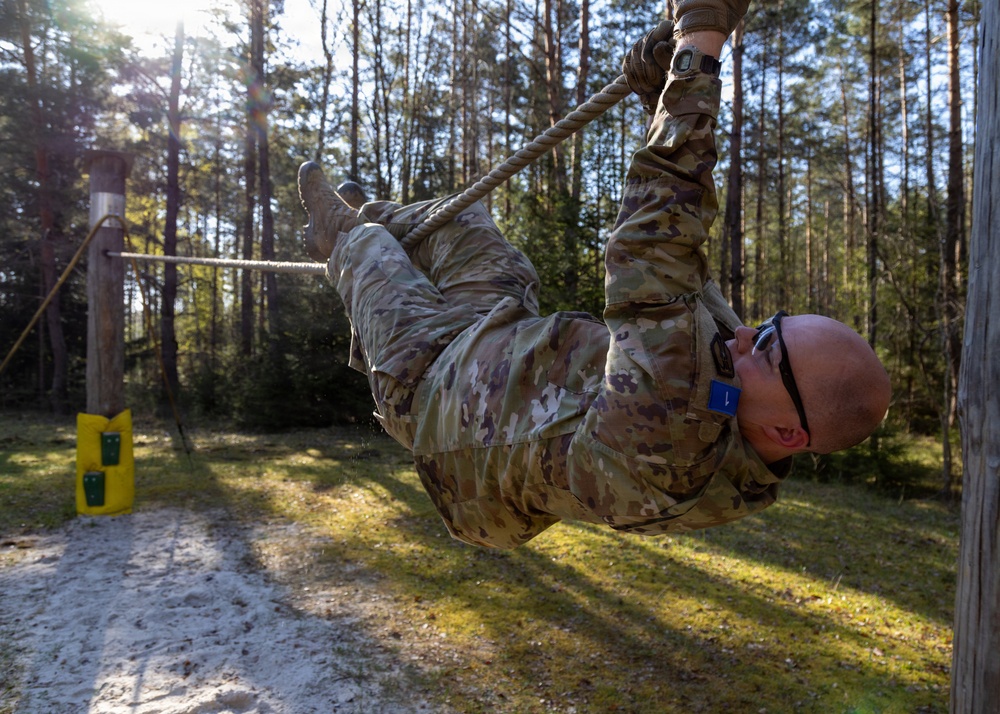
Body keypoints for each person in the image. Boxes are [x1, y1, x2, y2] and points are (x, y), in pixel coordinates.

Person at [296, 0, 892, 549]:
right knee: (466, 225)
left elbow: (650, 251)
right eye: (768, 326)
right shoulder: (747, 402)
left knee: (367, 249)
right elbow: (690, 282)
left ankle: (341, 233)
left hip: (431, 392)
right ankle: (369, 217)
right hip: (490, 345)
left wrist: (700, 50)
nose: (744, 337)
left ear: (791, 433)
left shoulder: (676, 431)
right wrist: (659, 99)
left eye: (766, 348)